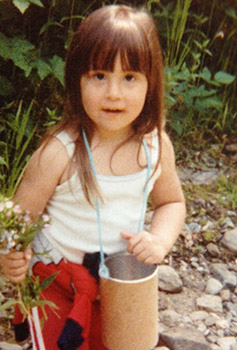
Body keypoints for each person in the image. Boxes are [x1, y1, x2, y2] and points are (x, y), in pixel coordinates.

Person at [0, 4, 186, 350]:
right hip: (56, 283)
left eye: (129, 77)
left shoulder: (155, 145)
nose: (113, 93)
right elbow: (16, 220)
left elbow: (171, 202)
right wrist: (10, 256)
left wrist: (159, 240)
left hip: (119, 282)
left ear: (151, 83)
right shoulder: (61, 151)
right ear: (77, 80)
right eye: (99, 76)